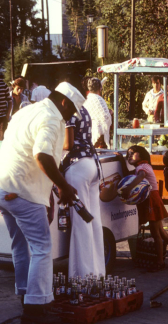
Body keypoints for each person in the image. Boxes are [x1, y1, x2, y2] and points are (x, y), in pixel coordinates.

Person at [0, 82, 83, 324]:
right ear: (63, 102)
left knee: (20, 245)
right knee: (42, 247)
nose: (71, 116)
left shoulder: (28, 110)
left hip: (0, 187)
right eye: (71, 110)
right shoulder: (51, 119)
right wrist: (62, 185)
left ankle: (25, 293)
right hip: (20, 192)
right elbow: (41, 155)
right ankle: (35, 307)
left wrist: (51, 191)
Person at [116, 145, 168, 271]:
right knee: (160, 232)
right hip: (152, 199)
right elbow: (128, 174)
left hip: (152, 200)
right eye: (128, 154)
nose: (129, 156)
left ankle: (160, 262)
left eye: (133, 153)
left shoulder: (142, 167)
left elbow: (140, 176)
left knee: (156, 233)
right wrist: (121, 160)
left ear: (142, 155)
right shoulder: (141, 166)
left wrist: (127, 189)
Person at [61, 100, 105, 277]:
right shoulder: (84, 109)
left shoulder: (68, 112)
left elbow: (68, 144)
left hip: (77, 167)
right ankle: (99, 273)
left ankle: (84, 277)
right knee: (93, 220)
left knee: (81, 223)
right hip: (92, 165)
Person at [83, 78, 112, 148]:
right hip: (100, 137)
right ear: (100, 88)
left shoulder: (86, 99)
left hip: (88, 133)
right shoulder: (100, 100)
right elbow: (106, 117)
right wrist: (110, 113)